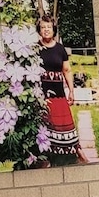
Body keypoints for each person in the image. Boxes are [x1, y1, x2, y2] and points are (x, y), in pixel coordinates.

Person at [36, 15, 84, 162]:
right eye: (43, 27)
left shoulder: (60, 49)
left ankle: (73, 152)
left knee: (64, 123)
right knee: (45, 124)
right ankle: (46, 156)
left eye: (49, 27)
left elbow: (67, 70)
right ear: (39, 30)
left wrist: (71, 90)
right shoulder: (36, 48)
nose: (46, 30)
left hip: (58, 94)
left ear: (54, 29)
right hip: (41, 95)